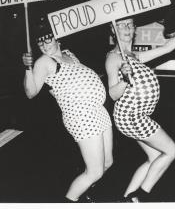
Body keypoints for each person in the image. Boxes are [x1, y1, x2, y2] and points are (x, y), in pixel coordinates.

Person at [22, 18, 113, 202]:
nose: (44, 44)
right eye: (40, 41)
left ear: (57, 38)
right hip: (82, 116)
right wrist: (28, 68)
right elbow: (30, 92)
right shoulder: (44, 62)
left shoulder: (68, 54)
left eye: (48, 38)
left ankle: (84, 194)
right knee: (94, 172)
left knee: (107, 163)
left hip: (98, 112)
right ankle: (69, 200)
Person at [105, 17, 175, 202]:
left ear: (134, 29)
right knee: (172, 151)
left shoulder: (133, 55)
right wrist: (124, 79)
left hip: (138, 116)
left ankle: (127, 200)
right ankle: (140, 195)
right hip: (131, 116)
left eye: (130, 24)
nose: (126, 28)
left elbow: (166, 48)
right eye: (121, 25)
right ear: (113, 30)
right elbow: (113, 95)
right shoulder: (114, 57)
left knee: (154, 157)